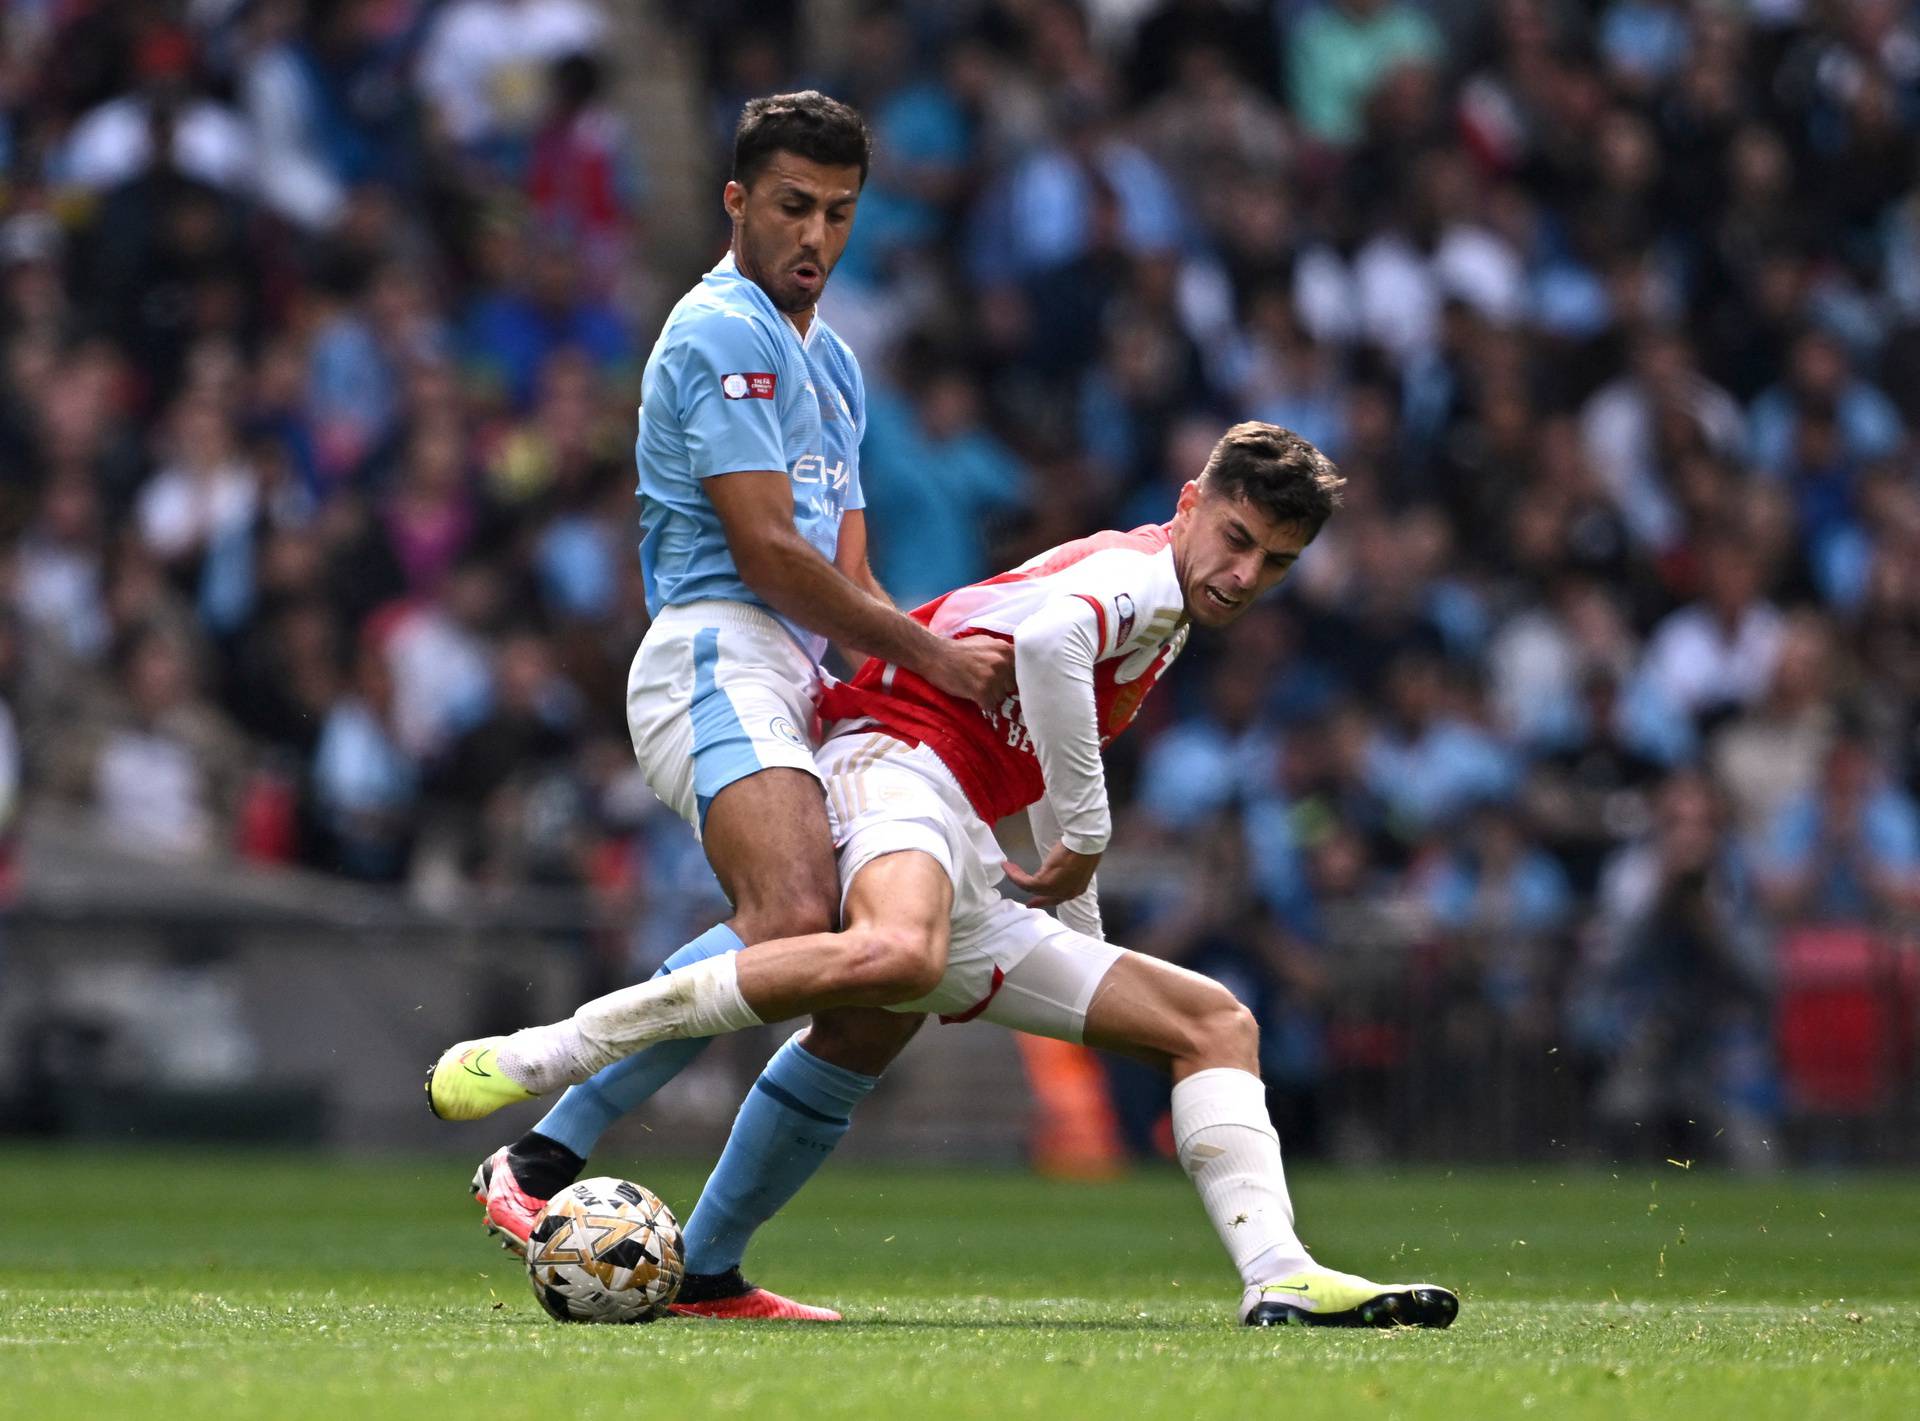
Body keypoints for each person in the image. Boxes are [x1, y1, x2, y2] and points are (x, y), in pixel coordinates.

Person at [430, 423, 1460, 1329]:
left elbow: (1039, 764)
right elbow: (1054, 651)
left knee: (1210, 1023)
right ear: (1192, 504)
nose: (1244, 573)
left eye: (1275, 563)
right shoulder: (1142, 579)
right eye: (1237, 539)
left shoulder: (1169, 613)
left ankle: (1278, 1273)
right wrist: (1093, 832)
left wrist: (1085, 927)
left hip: (957, 818)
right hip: (892, 754)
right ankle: (548, 1060)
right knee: (893, 952)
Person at [447, 90, 1014, 1322]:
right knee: (794, 914)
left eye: (841, 213)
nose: (816, 234)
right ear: (737, 203)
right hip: (714, 649)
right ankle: (541, 1152)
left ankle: (706, 1270)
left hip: (803, 669)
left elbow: (850, 578)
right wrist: (931, 651)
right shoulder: (716, 331)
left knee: (867, 985)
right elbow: (767, 554)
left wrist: (930, 697)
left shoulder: (839, 361)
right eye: (794, 206)